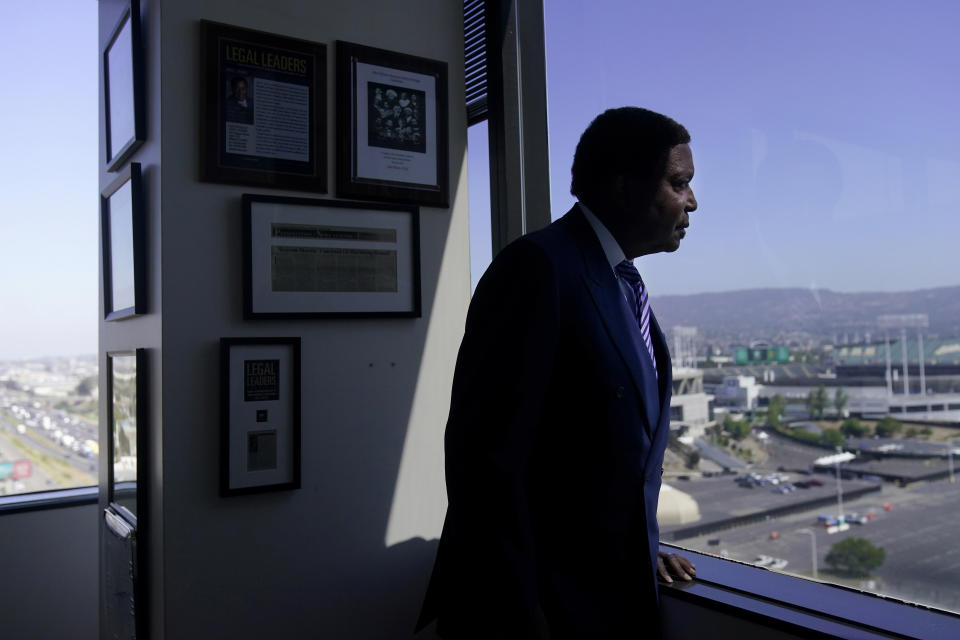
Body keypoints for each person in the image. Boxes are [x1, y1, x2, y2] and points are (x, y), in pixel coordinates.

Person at [417, 107, 700, 639]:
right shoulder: (537, 268)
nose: (691, 202)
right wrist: (521, 618)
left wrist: (640, 544)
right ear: (622, 186)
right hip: (543, 612)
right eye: (679, 183)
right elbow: (486, 465)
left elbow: (584, 453)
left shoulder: (619, 282)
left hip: (608, 599)